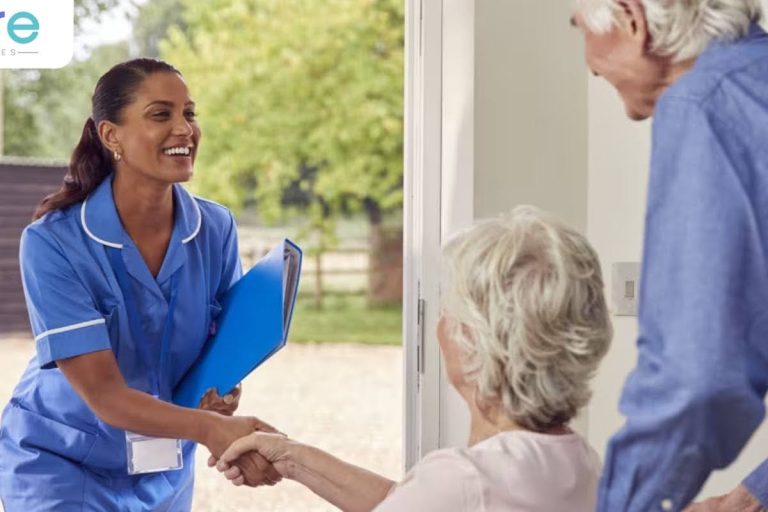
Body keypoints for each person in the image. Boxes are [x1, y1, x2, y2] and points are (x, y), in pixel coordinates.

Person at [0, 58, 279, 511]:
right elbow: (106, 395)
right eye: (160, 114)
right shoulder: (52, 241)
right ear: (111, 136)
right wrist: (209, 429)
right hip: (61, 464)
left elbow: (223, 347)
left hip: (163, 466)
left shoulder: (215, 227)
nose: (184, 129)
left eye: (189, 113)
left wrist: (219, 397)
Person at [215, 206, 613, 512]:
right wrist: (291, 457)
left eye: (449, 308)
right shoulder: (581, 464)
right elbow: (407, 500)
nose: (440, 323)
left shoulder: (464, 480)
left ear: (474, 342)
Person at [570, 1, 768, 510]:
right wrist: (755, 495)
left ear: (631, 20)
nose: (588, 63)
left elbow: (696, 378)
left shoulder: (703, 104)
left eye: (580, 29)